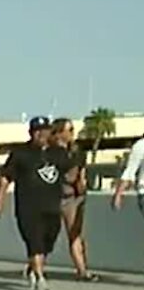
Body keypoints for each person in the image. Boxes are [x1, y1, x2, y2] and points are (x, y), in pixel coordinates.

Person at [0, 116, 65, 290]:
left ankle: (33, 268)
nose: (41, 134)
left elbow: (70, 172)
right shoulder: (20, 153)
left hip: (53, 206)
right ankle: (40, 278)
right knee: (35, 242)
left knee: (48, 241)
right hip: (28, 208)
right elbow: (5, 177)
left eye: (45, 131)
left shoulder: (58, 152)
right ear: (31, 133)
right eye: (37, 131)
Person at [50, 118, 97, 281]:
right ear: (59, 132)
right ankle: (34, 265)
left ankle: (82, 270)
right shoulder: (49, 152)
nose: (72, 133)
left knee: (75, 234)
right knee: (46, 235)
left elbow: (81, 174)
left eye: (72, 130)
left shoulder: (77, 151)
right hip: (52, 197)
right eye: (68, 130)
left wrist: (82, 188)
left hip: (72, 197)